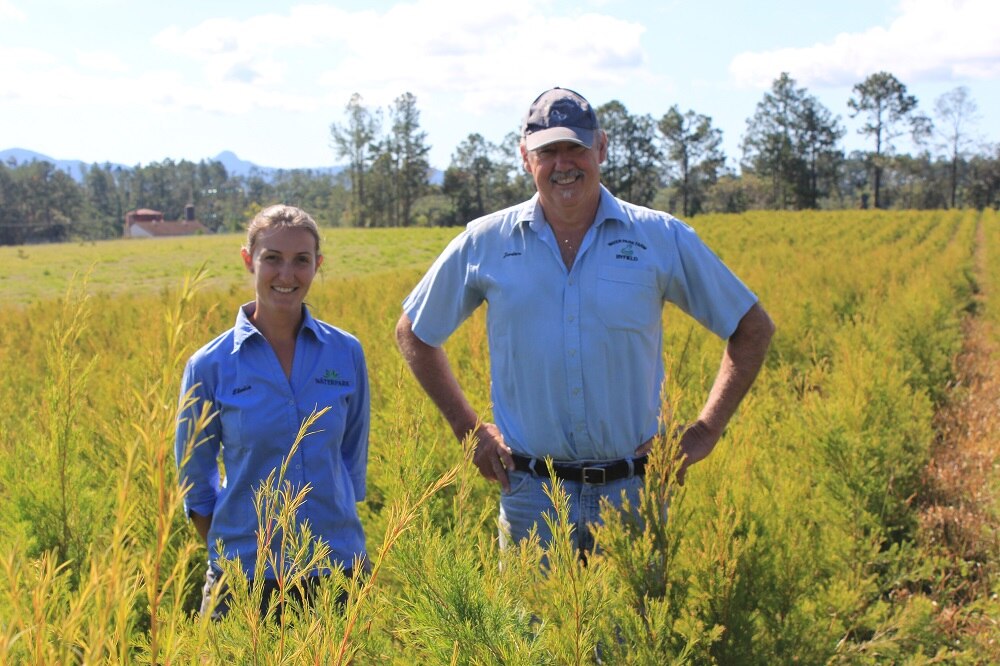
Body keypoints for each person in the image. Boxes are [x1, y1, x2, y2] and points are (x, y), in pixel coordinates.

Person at [395, 87, 774, 556]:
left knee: (631, 632)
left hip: (632, 494)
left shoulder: (659, 237)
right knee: (529, 632)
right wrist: (468, 429)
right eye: (547, 151)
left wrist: (703, 432)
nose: (563, 163)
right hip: (532, 496)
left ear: (601, 148)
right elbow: (414, 331)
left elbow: (752, 327)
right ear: (524, 158)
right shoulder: (486, 242)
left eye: (575, 147)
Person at [175, 204, 370, 619]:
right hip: (245, 581)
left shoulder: (346, 352)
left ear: (318, 265)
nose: (287, 275)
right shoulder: (210, 365)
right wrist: (240, 551)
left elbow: (352, 461)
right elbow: (195, 480)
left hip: (336, 572)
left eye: (301, 261)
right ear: (249, 260)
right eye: (272, 259)